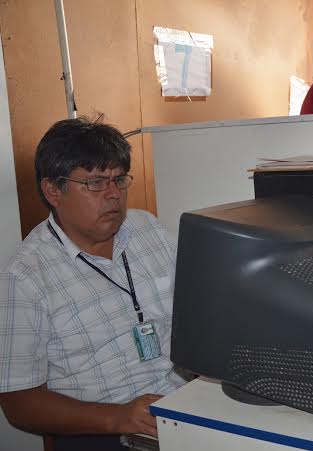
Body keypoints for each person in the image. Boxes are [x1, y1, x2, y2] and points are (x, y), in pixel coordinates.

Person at [0, 116, 188, 451]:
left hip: (182, 408)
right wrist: (119, 418)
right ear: (53, 190)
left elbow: (196, 310)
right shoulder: (26, 277)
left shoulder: (147, 229)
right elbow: (19, 403)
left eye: (119, 179)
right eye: (96, 183)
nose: (114, 195)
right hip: (107, 432)